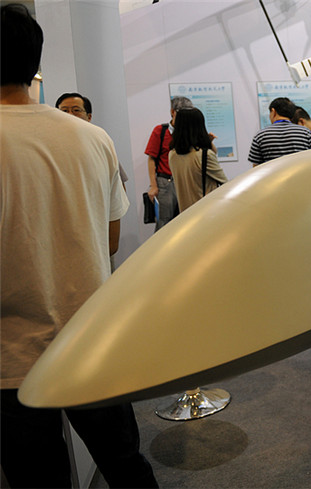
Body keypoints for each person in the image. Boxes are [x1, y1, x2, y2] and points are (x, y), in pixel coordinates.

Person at [0, 4, 158, 487]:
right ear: (35, 64)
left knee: (39, 478)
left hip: (12, 356)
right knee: (126, 466)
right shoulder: (93, 137)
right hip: (91, 337)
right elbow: (109, 240)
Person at [56, 92, 130, 187]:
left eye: (76, 110)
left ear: (89, 117)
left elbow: (118, 183)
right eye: (64, 111)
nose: (70, 114)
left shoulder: (101, 141)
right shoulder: (51, 146)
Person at [145, 95, 193, 230]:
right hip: (165, 183)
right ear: (173, 112)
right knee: (164, 224)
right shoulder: (160, 131)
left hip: (186, 182)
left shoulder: (190, 133)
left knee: (188, 222)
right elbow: (151, 159)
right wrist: (153, 186)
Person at [169, 107, 228, 211]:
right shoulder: (204, 155)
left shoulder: (172, 155)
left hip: (185, 213)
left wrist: (207, 142)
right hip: (207, 213)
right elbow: (226, 184)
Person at [248, 97, 311, 166]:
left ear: (273, 111)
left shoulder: (260, 136)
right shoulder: (305, 133)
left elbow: (256, 168)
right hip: (300, 173)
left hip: (274, 173)